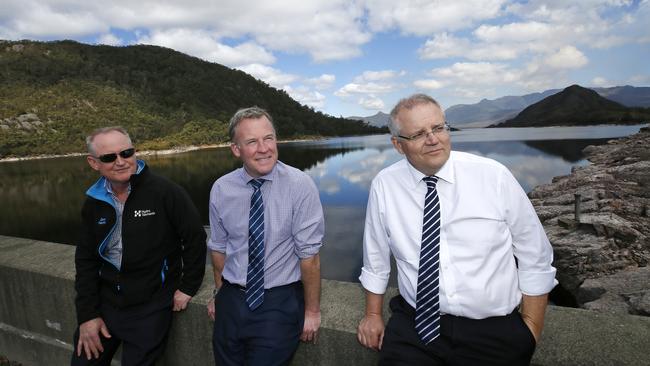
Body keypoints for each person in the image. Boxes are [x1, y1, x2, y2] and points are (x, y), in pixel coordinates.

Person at [357, 94, 557, 366]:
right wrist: (372, 314)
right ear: (398, 145)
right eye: (418, 134)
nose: (433, 139)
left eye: (438, 128)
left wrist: (530, 329)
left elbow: (535, 256)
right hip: (415, 326)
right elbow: (376, 259)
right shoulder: (385, 185)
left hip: (494, 330)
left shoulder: (493, 176)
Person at [72, 126, 207, 365]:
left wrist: (188, 287)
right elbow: (86, 259)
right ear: (94, 163)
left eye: (127, 152)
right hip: (106, 304)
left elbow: (195, 238)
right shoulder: (93, 202)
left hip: (151, 306)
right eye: (109, 157)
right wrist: (87, 315)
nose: (121, 161)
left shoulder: (166, 192)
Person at [206, 106, 324, 366]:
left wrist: (312, 311)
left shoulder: (299, 185)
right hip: (231, 300)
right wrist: (220, 294)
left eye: (268, 138)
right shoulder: (221, 189)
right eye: (252, 142)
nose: (264, 148)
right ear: (236, 149)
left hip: (278, 302)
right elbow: (218, 247)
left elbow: (310, 257)